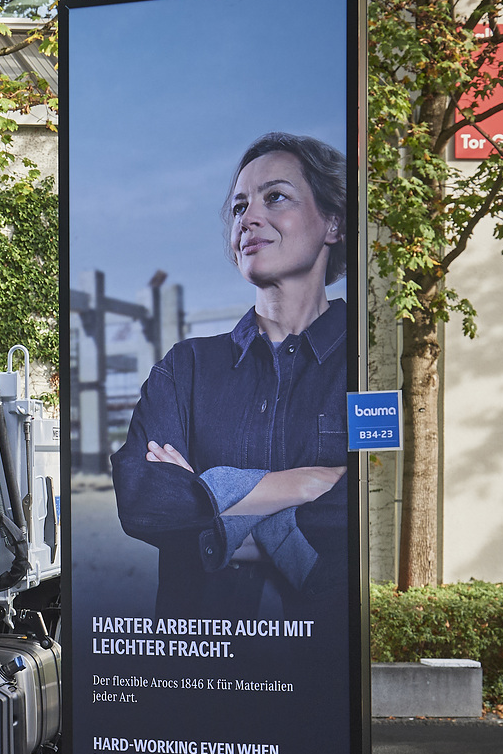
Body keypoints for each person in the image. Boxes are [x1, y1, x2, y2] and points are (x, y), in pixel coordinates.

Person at [111, 132, 350, 620]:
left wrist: (206, 501)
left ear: (332, 222)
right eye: (240, 206)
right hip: (196, 662)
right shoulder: (186, 367)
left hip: (319, 669)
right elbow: (143, 499)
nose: (249, 218)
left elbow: (364, 507)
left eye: (275, 197)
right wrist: (304, 485)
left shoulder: (364, 368)